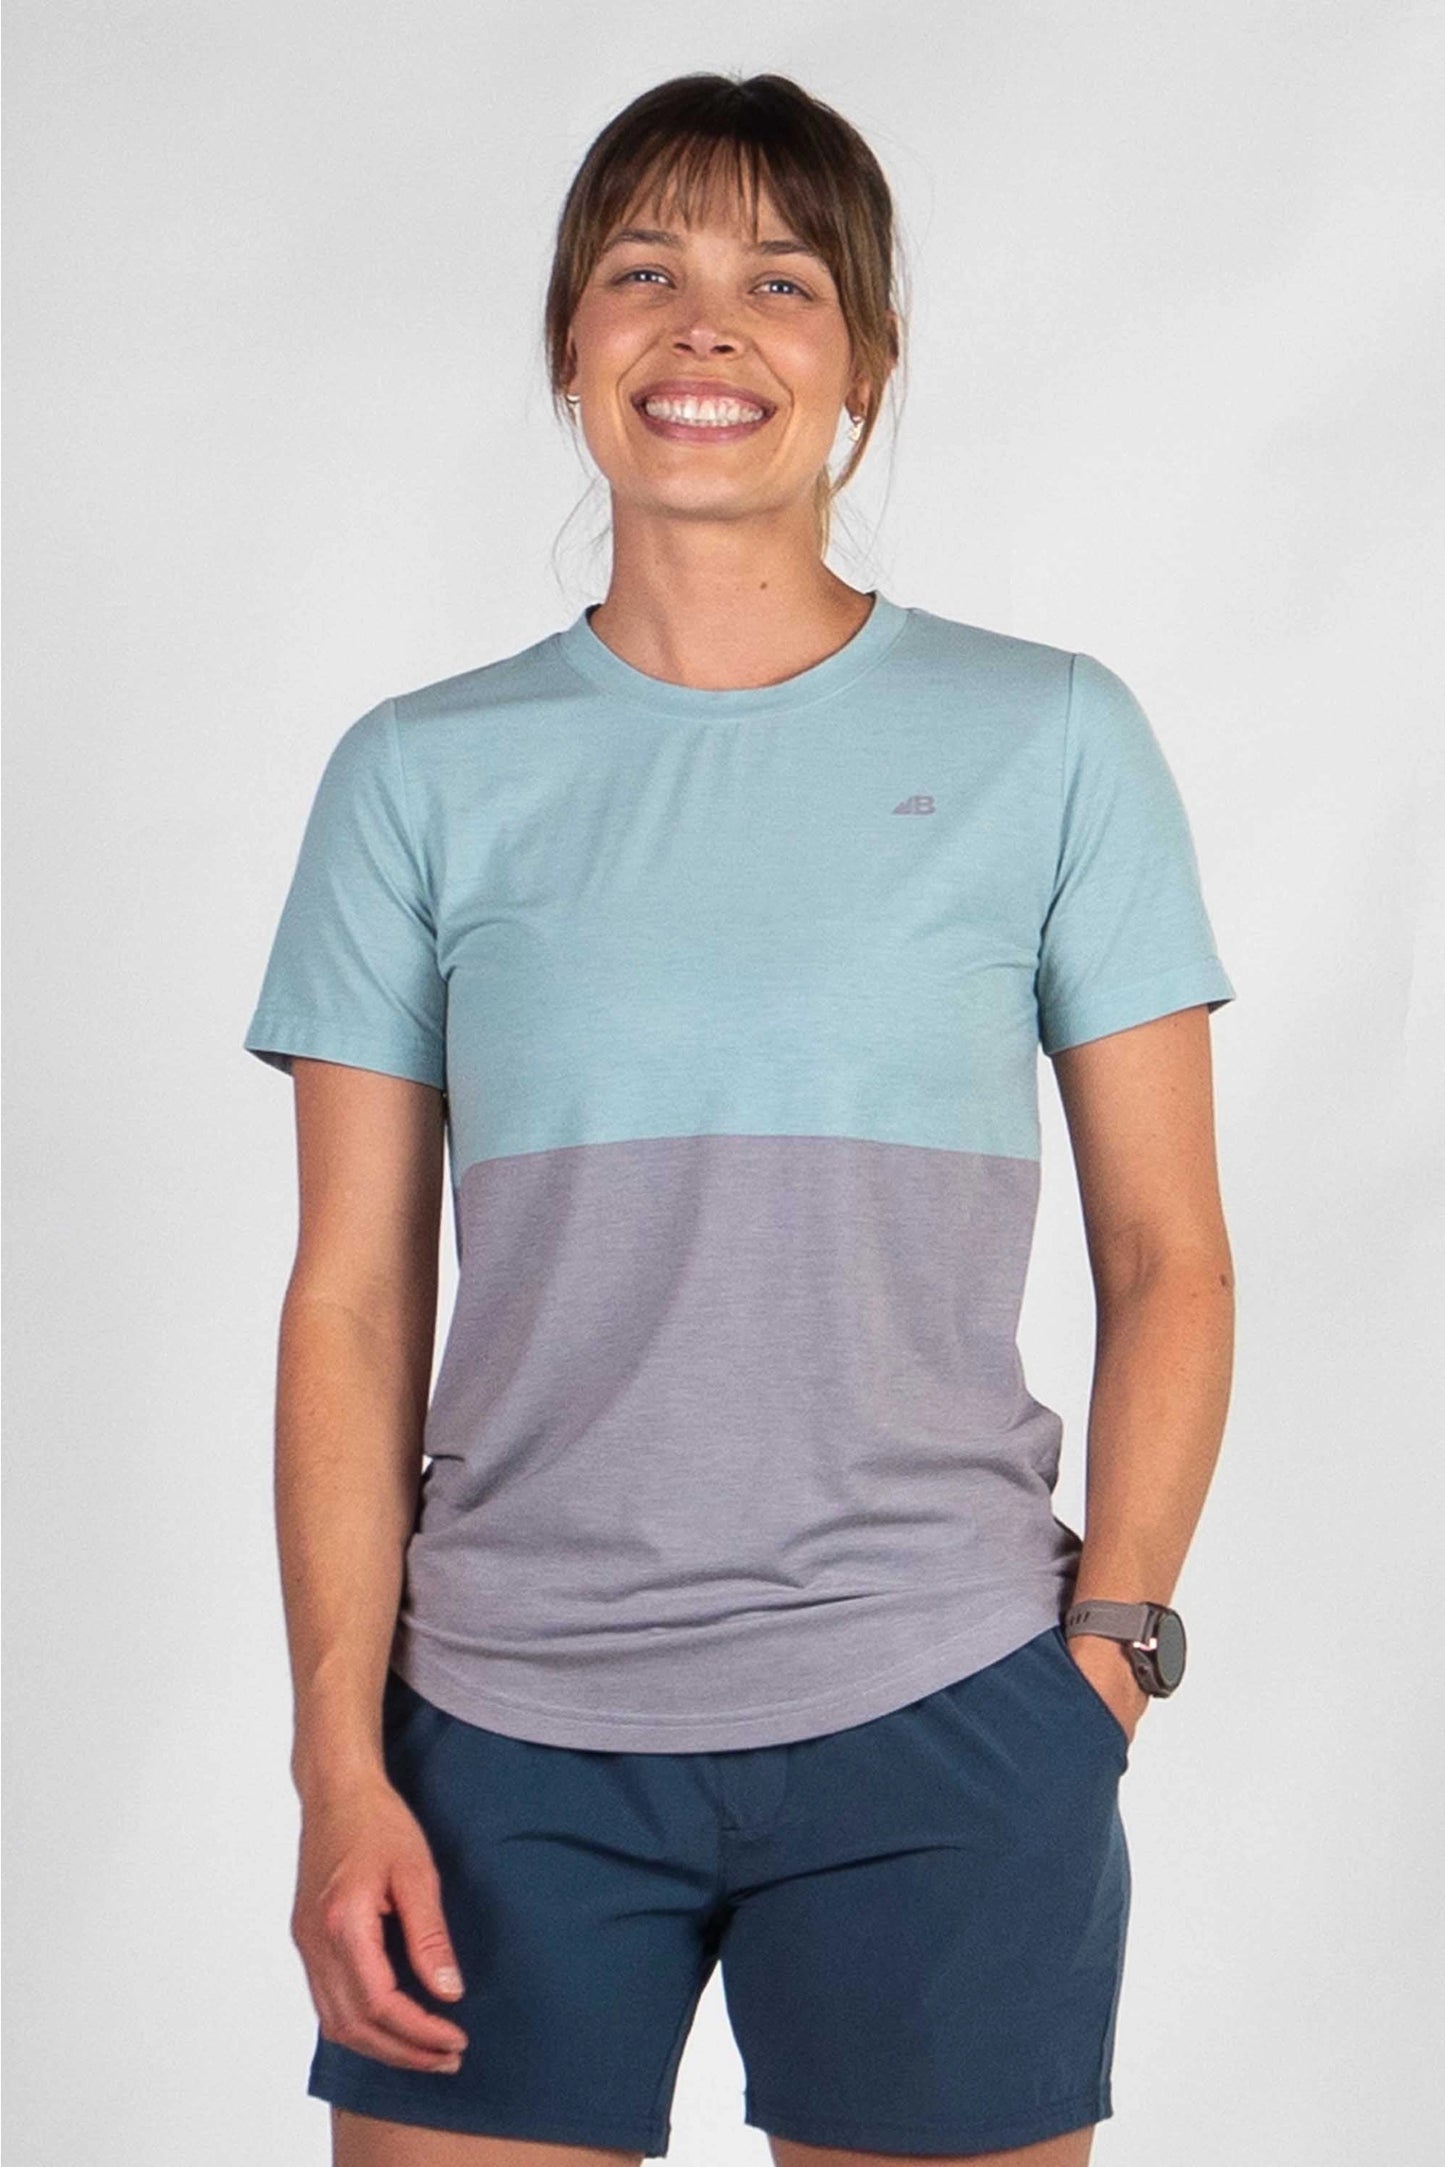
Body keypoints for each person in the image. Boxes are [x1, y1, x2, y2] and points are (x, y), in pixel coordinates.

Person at [243, 70, 1236, 2167]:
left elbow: (1170, 1255)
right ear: (569, 346)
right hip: (498, 1729)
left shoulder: (1050, 740)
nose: (706, 325)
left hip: (947, 1709)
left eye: (781, 281)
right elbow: (350, 1303)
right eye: (644, 271)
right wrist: (342, 1761)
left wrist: (1110, 1653)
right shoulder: (417, 774)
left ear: (864, 363)